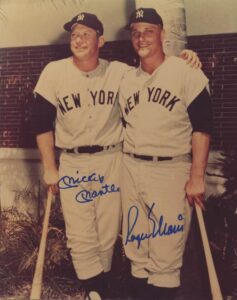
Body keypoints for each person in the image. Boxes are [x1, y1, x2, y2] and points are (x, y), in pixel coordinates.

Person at [33, 11, 202, 300]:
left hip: (112, 160)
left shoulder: (120, 72)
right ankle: (95, 292)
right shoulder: (53, 71)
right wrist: (50, 167)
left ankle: (104, 287)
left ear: (101, 40)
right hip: (72, 162)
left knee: (108, 235)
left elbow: (154, 68)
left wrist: (186, 57)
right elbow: (39, 123)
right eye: (74, 34)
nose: (79, 39)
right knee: (80, 235)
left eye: (86, 34)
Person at [119, 7, 212, 300]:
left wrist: (197, 176)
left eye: (148, 30)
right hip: (131, 168)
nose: (141, 37)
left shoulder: (186, 72)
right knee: (137, 249)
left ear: (162, 33)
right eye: (135, 32)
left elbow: (203, 127)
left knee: (165, 254)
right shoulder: (126, 78)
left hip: (170, 171)